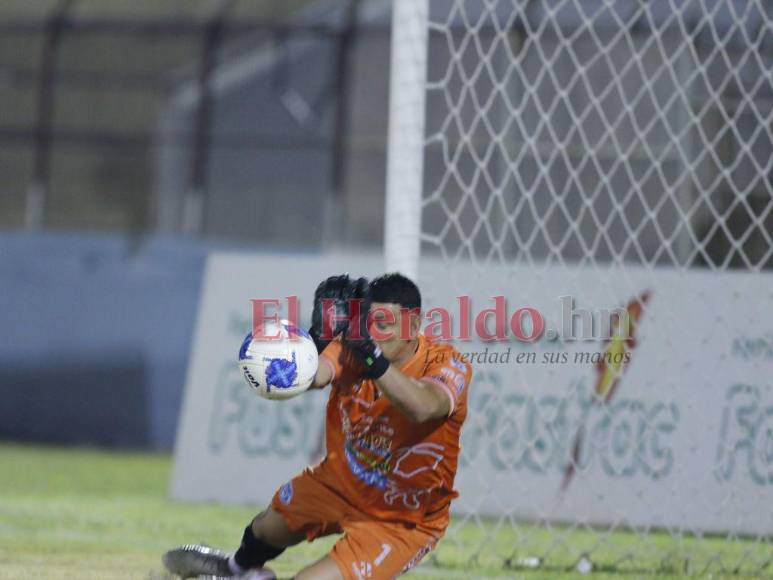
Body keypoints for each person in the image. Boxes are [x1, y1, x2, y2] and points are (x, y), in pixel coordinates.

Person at [163, 273, 472, 579]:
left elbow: (423, 407)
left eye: (384, 324)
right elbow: (311, 377)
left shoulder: (446, 364)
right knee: (266, 527)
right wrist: (316, 339)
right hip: (340, 483)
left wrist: (370, 355)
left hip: (401, 520)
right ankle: (237, 570)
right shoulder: (355, 348)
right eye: (368, 323)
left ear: (413, 326)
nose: (374, 333)